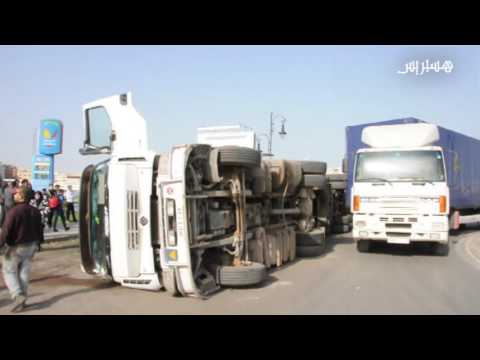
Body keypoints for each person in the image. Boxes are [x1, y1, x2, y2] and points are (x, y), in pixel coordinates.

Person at [0, 186, 44, 313]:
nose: (14, 195)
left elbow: (6, 231)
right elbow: (39, 228)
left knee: (9, 270)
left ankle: (17, 294)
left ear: (22, 196)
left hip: (16, 247)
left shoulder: (14, 211)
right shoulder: (35, 211)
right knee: (24, 272)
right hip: (31, 246)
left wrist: (1, 243)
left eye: (17, 193)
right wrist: (39, 243)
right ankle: (23, 298)